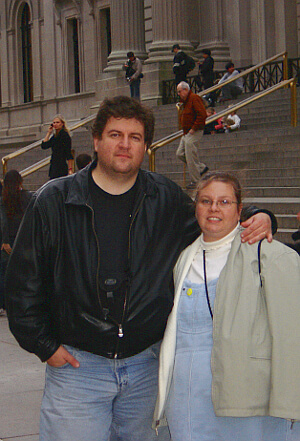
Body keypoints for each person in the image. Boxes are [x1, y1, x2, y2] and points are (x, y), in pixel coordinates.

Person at [5, 96, 275, 441]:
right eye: (115, 134)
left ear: (145, 146)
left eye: (134, 137)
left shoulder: (163, 197)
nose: (124, 144)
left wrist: (260, 216)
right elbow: (23, 283)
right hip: (78, 368)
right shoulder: (54, 201)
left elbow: (213, 218)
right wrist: (45, 346)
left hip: (146, 368)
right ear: (97, 140)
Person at [154, 171, 300, 441]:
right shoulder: (183, 258)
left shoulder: (270, 255)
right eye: (205, 201)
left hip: (247, 399)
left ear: (239, 209)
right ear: (195, 207)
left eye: (224, 202)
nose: (214, 209)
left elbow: (291, 336)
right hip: (187, 394)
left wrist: (290, 402)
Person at [0, 170, 32, 316]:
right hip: (24, 239)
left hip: (9, 241)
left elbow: (3, 222)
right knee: (24, 272)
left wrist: (5, 241)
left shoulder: (3, 199)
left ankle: (4, 304)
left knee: (5, 274)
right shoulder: (27, 196)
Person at [176, 81, 209, 189]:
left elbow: (202, 114)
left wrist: (194, 128)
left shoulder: (194, 98)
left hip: (193, 131)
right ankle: (201, 168)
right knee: (180, 153)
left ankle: (196, 181)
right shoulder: (185, 101)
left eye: (180, 91)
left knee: (190, 155)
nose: (179, 94)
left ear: (186, 90)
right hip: (186, 132)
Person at [41, 114, 74, 179]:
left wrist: (70, 169)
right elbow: (44, 146)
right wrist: (48, 133)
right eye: (54, 122)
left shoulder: (65, 136)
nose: (55, 124)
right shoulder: (55, 136)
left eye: (57, 122)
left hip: (61, 166)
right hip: (54, 165)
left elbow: (68, 153)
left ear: (62, 124)